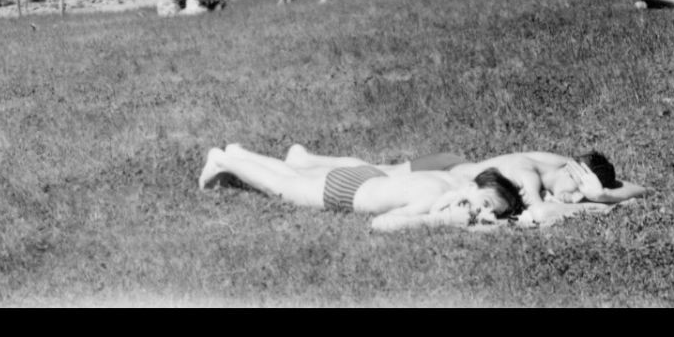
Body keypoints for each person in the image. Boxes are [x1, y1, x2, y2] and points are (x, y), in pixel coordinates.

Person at [198, 143, 525, 232]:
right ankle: (223, 160)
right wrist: (440, 220)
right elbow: (382, 223)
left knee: (291, 177)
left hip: (367, 178)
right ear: (472, 187)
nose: (478, 213)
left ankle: (241, 154)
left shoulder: (455, 182)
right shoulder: (436, 199)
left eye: (487, 213)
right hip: (346, 192)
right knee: (281, 187)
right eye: (482, 204)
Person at [281, 145, 647, 216]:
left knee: (380, 169)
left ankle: (306, 160)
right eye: (576, 191)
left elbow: (639, 188)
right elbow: (539, 213)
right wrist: (601, 203)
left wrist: (603, 194)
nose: (574, 198)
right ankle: (305, 160)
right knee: (378, 172)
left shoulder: (566, 167)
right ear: (574, 173)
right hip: (444, 171)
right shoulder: (528, 175)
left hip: (456, 168)